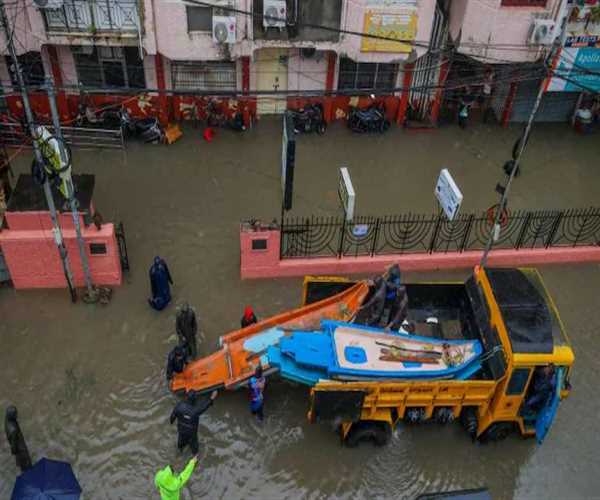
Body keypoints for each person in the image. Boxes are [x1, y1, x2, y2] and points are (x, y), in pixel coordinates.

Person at [170, 390, 218, 454]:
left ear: (186, 397)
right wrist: (212, 397)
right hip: (191, 434)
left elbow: (172, 417)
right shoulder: (196, 410)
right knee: (194, 449)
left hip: (181, 431)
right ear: (195, 400)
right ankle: (195, 457)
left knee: (180, 445)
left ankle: (179, 454)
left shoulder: (179, 406)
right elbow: (206, 405)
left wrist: (172, 422)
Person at [4, 406, 32, 472]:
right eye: (15, 414)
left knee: (24, 465)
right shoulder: (13, 430)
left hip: (18, 448)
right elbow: (14, 446)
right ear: (11, 415)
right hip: (21, 450)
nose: (16, 415)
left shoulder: (7, 419)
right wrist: (17, 451)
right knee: (27, 465)